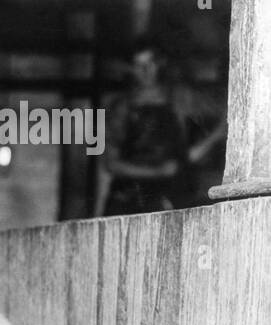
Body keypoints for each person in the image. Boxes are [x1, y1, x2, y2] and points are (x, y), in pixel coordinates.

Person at [96, 39, 227, 218]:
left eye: (150, 63)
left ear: (160, 63)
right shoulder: (120, 108)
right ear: (130, 68)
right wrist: (158, 172)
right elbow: (111, 164)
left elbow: (219, 109)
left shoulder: (180, 97)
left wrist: (217, 134)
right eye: (138, 65)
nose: (145, 71)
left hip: (171, 194)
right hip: (128, 198)